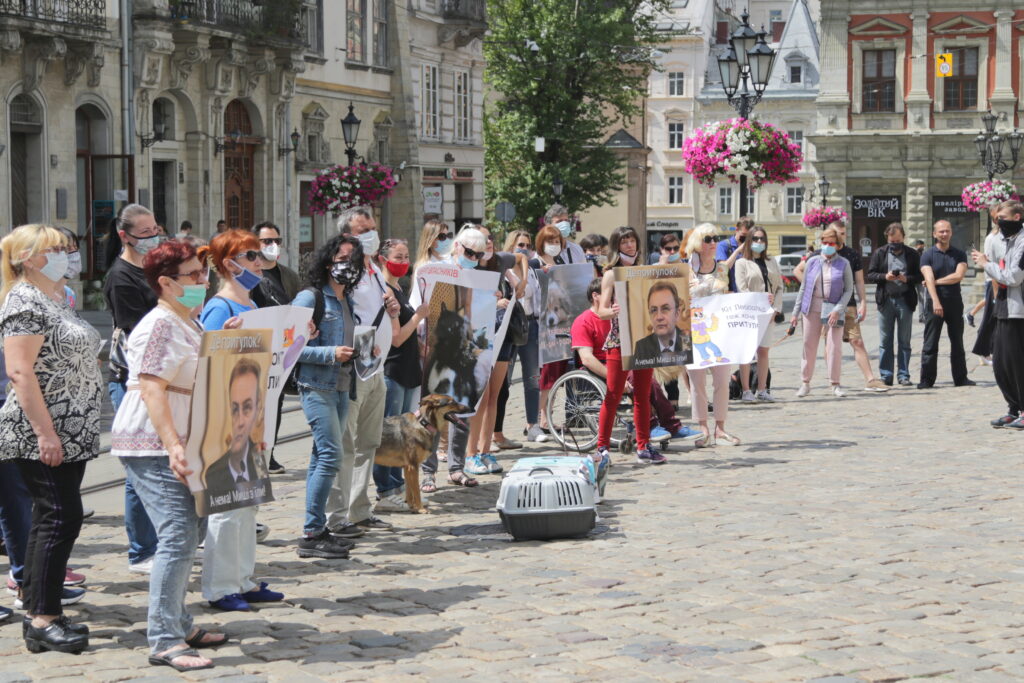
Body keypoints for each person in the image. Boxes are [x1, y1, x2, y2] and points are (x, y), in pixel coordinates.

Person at [110, 239, 229, 671]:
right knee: (177, 535)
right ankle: (164, 638)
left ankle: (179, 622)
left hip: (183, 441)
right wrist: (174, 445)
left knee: (190, 531)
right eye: (193, 275)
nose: (203, 280)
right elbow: (152, 387)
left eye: (204, 272)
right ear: (165, 282)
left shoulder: (186, 321)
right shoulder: (160, 323)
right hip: (153, 443)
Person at [0, 224, 102, 654]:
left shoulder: (56, 297)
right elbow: (19, 371)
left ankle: (42, 610)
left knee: (56, 518)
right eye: (56, 249)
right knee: (59, 517)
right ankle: (42, 617)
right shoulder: (24, 300)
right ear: (27, 258)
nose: (66, 254)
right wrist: (45, 433)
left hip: (72, 428)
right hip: (41, 431)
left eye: (67, 248)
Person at [199, 230, 284, 612]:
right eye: (250, 256)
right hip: (224, 421)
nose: (259, 261)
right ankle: (220, 587)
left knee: (248, 505)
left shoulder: (251, 302)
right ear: (228, 264)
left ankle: (244, 579)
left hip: (252, 420)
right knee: (226, 507)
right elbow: (207, 366)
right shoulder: (220, 307)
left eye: (258, 254)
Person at [326, 207, 400, 537]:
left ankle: (359, 509)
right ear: (346, 236)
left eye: (372, 227)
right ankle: (336, 515)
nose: (371, 234)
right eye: (362, 230)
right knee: (345, 443)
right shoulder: (345, 272)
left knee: (368, 442)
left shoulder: (374, 270)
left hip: (375, 368)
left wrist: (393, 309)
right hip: (353, 369)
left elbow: (380, 315)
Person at [292, 234, 363, 558]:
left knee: (321, 456)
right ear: (327, 262)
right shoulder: (310, 298)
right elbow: (289, 348)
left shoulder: (346, 300)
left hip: (343, 385)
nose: (348, 266)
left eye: (353, 260)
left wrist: (364, 349)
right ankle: (311, 533)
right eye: (341, 259)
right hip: (316, 385)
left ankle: (316, 528)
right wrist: (330, 353)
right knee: (331, 455)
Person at [103, 204, 160, 573]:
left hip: (161, 377)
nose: (154, 237)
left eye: (156, 230)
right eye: (146, 233)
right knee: (138, 465)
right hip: (131, 380)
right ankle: (141, 550)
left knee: (159, 464)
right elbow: (138, 332)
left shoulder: (154, 268)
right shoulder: (120, 277)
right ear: (125, 236)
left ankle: (163, 541)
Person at [572, 278, 696, 442]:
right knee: (635, 379)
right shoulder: (583, 321)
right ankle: (650, 426)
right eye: (612, 295)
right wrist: (615, 378)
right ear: (596, 296)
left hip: (623, 360)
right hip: (600, 367)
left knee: (649, 381)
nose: (616, 299)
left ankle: (671, 425)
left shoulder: (618, 317)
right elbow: (587, 359)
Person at [420, 226, 488, 491]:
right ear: (457, 246)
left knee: (462, 408)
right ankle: (428, 472)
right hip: (435, 348)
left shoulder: (468, 274)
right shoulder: (436, 269)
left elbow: (468, 309)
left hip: (459, 347)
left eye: (479, 255)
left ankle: (456, 468)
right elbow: (424, 307)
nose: (474, 258)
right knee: (432, 409)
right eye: (470, 253)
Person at [595, 226, 665, 464]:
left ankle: (643, 446)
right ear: (617, 246)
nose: (629, 245)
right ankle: (602, 447)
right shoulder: (611, 274)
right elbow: (601, 310)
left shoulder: (643, 271)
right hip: (619, 338)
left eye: (632, 240)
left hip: (644, 338)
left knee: (643, 395)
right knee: (613, 394)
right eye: (624, 242)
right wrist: (612, 311)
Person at [795, 221, 889, 392]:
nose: (839, 236)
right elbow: (798, 271)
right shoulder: (816, 256)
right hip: (820, 307)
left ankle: (869, 379)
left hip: (847, 305)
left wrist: (863, 302)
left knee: (855, 341)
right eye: (836, 233)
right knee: (826, 344)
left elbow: (858, 281)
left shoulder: (850, 256)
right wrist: (812, 289)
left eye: (842, 234)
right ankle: (828, 381)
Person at [463, 225, 527, 474]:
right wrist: (492, 300)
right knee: (480, 397)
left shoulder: (499, 260)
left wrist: (520, 283)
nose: (488, 242)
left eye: (490, 237)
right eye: (482, 239)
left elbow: (521, 257)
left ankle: (486, 450)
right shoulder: (468, 266)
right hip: (479, 336)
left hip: (502, 331)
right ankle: (470, 454)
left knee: (493, 396)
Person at [372, 238, 428, 513]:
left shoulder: (399, 288)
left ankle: (398, 486)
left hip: (409, 369)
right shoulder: (384, 290)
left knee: (404, 432)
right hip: (393, 369)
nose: (404, 262)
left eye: (406, 256)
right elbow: (396, 338)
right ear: (383, 259)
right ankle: (386, 489)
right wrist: (419, 317)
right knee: (390, 434)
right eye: (398, 256)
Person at [250, 221, 301, 475]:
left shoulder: (288, 276)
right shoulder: (250, 276)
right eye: (267, 241)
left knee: (275, 404)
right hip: (256, 349)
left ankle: (269, 452)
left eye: (276, 241)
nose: (273, 246)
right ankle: (253, 454)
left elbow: (298, 305)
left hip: (281, 351)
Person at [686, 223, 741, 446]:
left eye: (715, 238)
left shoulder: (722, 269)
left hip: (720, 331)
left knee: (722, 381)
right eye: (707, 239)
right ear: (697, 243)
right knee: (697, 383)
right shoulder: (687, 270)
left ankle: (720, 428)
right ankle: (703, 428)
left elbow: (731, 295)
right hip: (694, 331)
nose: (712, 243)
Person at [972, 200, 1024, 428]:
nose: (999, 222)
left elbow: (1014, 277)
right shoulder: (1004, 240)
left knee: (1017, 363)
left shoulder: (1022, 241)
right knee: (1001, 363)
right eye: (997, 219)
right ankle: (1013, 408)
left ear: (1017, 217)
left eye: (1002, 218)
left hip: (1018, 311)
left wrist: (986, 264)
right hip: (1002, 307)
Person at [791, 226, 854, 398]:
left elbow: (849, 290)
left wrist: (838, 309)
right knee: (809, 345)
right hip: (811, 308)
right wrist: (795, 313)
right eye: (825, 242)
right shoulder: (812, 261)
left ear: (838, 245)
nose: (827, 246)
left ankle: (835, 384)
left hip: (833, 309)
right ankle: (805, 383)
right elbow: (804, 288)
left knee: (834, 347)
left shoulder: (844, 263)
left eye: (831, 243)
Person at [495, 230, 544, 444]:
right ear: (511, 245)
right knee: (502, 382)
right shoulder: (502, 269)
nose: (524, 249)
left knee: (532, 377)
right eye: (520, 244)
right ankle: (496, 430)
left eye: (527, 245)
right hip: (508, 325)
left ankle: (533, 425)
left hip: (529, 325)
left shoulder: (530, 270)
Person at [919, 219, 974, 389]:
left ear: (951, 232)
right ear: (934, 234)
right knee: (930, 343)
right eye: (941, 231)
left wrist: (935, 282)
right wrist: (936, 301)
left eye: (947, 231)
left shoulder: (959, 254)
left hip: (954, 302)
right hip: (934, 302)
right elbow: (927, 277)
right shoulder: (927, 255)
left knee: (957, 341)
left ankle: (961, 378)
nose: (944, 234)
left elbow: (958, 276)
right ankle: (926, 380)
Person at [866, 223, 922, 386]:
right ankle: (886, 375)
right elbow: (870, 275)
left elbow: (919, 276)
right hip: (886, 300)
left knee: (904, 340)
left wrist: (907, 279)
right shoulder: (880, 253)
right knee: (885, 341)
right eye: (892, 241)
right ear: (887, 239)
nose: (895, 244)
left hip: (905, 300)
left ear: (903, 237)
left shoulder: (912, 254)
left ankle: (903, 375)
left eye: (898, 241)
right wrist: (885, 276)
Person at [734, 226, 784, 402]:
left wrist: (775, 309)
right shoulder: (742, 263)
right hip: (750, 313)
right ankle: (746, 390)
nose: (759, 242)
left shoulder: (771, 261)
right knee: (747, 352)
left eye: (762, 239)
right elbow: (742, 289)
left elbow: (779, 287)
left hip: (769, 313)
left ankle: (762, 389)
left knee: (763, 351)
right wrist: (759, 302)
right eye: (755, 238)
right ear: (749, 241)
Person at [202, 359, 266, 493]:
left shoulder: (258, 462)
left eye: (247, 407)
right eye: (235, 409)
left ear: (258, 406)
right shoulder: (213, 474)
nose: (240, 421)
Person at [533, 224, 571, 436]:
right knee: (545, 376)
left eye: (557, 241)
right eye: (550, 241)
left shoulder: (561, 263)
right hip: (543, 328)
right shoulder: (535, 263)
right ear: (542, 243)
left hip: (561, 328)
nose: (554, 245)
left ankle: (547, 417)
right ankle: (537, 419)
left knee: (556, 375)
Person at [632, 282, 687, 364]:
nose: (659, 317)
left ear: (677, 313)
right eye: (654, 310)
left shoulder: (688, 342)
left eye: (665, 308)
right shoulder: (642, 347)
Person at [715, 217, 754, 291]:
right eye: (744, 234)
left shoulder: (752, 247)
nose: (746, 238)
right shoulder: (723, 245)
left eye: (749, 236)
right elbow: (723, 269)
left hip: (747, 291)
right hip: (730, 292)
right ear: (737, 230)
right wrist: (737, 251)